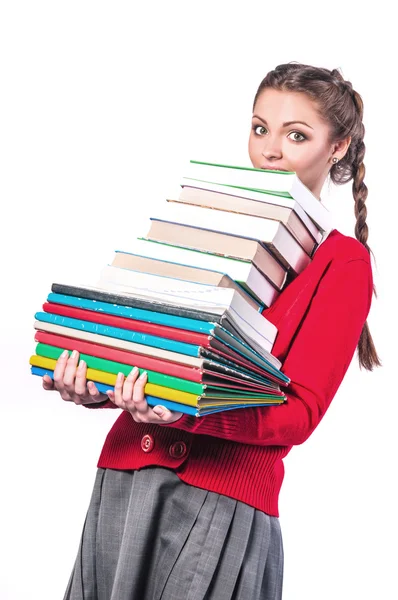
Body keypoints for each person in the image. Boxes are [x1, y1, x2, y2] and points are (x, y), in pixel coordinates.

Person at [42, 62, 381, 600]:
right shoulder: (208, 217)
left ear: (337, 147)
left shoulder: (341, 262)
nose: (270, 149)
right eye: (259, 127)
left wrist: (187, 410)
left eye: (297, 135)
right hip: (125, 479)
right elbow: (154, 351)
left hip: (217, 501)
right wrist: (94, 385)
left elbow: (297, 414)